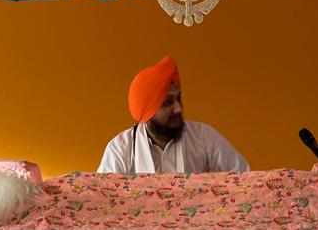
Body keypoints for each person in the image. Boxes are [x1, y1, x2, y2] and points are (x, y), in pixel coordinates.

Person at [98, 57, 248, 174]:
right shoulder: (120, 149)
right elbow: (104, 199)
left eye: (178, 98)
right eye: (167, 102)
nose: (178, 108)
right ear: (147, 113)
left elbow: (244, 180)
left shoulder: (203, 136)